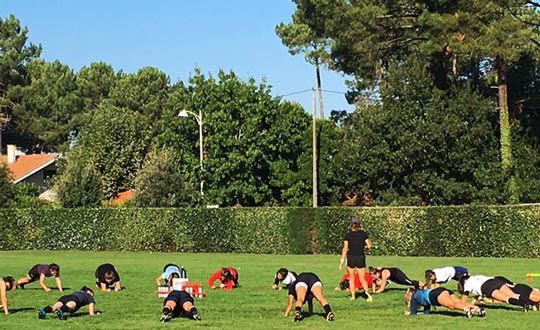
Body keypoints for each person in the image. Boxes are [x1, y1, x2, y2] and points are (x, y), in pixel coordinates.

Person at [338, 216, 372, 301]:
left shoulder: (348, 235)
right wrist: (362, 245)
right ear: (359, 224)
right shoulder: (364, 234)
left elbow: (345, 248)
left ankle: (353, 296)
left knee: (352, 278)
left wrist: (341, 261)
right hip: (360, 257)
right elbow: (369, 246)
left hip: (351, 257)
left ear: (351, 225)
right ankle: (367, 294)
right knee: (362, 278)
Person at [458, 274, 529, 310]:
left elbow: (464, 299)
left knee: (506, 298)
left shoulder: (467, 284)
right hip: (494, 281)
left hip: (486, 287)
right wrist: (472, 304)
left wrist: (461, 304)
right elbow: (476, 295)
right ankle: (529, 302)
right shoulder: (476, 276)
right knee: (514, 295)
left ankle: (523, 305)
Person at [404, 287, 485, 317]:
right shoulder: (419, 293)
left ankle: (466, 309)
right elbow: (426, 312)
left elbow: (413, 314)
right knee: (459, 302)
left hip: (434, 295)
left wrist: (408, 313)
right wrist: (421, 312)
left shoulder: (414, 298)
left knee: (452, 305)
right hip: (440, 290)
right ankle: (477, 308)